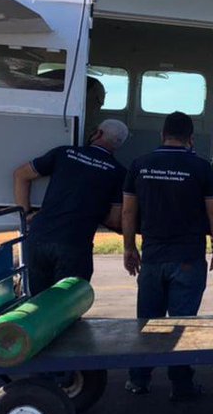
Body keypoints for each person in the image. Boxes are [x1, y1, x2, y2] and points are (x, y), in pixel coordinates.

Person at [121, 111, 213, 401]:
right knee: (183, 325)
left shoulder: (140, 165)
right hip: (188, 258)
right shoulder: (201, 167)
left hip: (152, 257)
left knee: (148, 324)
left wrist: (129, 247)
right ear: (191, 139)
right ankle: (181, 385)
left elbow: (128, 212)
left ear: (162, 135)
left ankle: (138, 379)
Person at [12, 119, 130, 295]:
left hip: (40, 238)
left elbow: (21, 175)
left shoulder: (64, 153)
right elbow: (114, 219)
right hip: (75, 244)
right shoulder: (118, 172)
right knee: (67, 306)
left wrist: (26, 212)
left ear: (98, 134)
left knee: (38, 304)